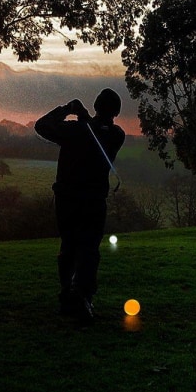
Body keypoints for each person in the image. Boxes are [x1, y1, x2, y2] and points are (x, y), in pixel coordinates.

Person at [35, 88, 125, 321]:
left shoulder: (75, 130)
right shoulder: (117, 135)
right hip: (94, 201)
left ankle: (69, 295)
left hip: (67, 199)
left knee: (69, 248)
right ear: (116, 111)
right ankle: (82, 298)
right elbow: (97, 132)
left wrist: (67, 110)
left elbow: (42, 125)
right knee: (88, 250)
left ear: (95, 106)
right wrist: (82, 117)